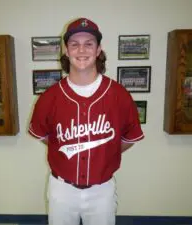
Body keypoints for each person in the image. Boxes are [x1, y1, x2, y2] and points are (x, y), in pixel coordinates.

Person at [28, 17, 144, 225]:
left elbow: (128, 138)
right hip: (61, 189)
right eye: (75, 44)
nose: (82, 50)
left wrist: (104, 148)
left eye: (88, 44)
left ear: (98, 49)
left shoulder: (119, 95)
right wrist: (72, 147)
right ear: (66, 50)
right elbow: (45, 136)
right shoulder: (49, 97)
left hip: (102, 190)